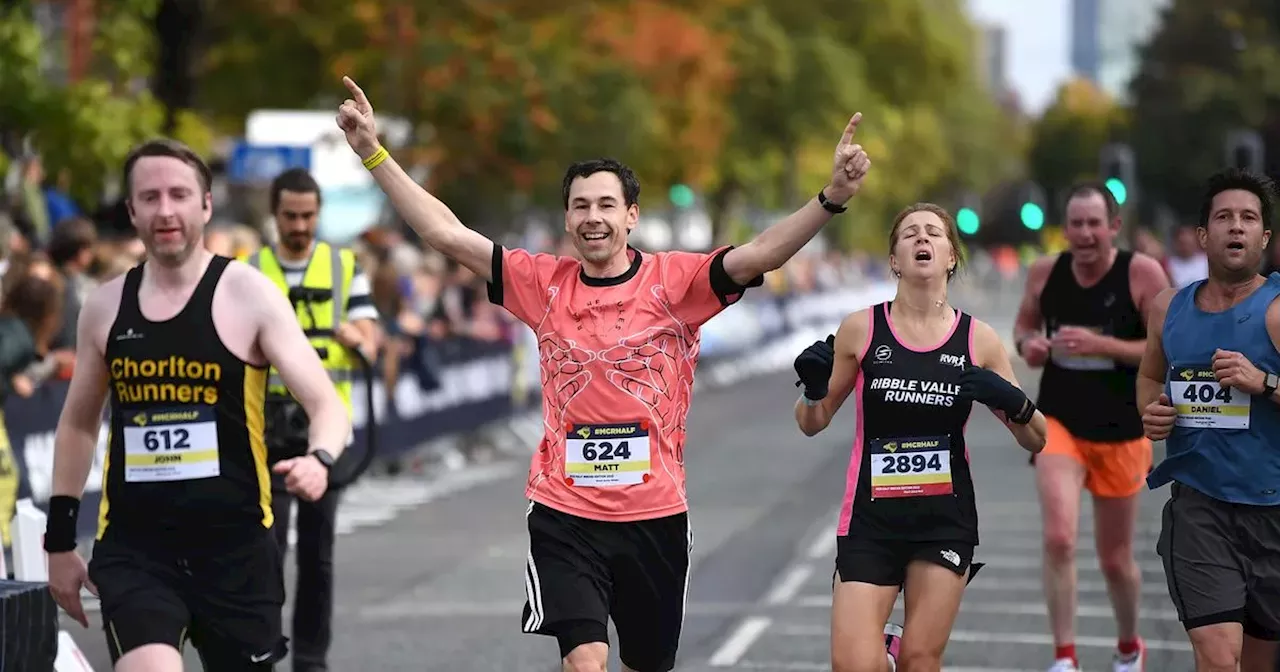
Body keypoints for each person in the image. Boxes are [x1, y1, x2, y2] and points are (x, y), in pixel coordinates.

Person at [335, 74, 869, 672]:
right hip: (565, 512)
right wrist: (373, 154)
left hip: (654, 518)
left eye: (607, 205)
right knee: (584, 661)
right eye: (581, 206)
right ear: (567, 219)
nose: (594, 217)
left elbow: (763, 252)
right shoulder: (540, 284)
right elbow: (443, 232)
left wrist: (831, 197)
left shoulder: (677, 283)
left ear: (631, 216)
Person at [42, 138, 351, 672]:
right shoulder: (104, 307)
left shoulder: (250, 295)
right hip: (137, 551)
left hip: (236, 552)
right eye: (150, 197)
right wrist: (59, 541)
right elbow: (77, 424)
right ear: (133, 210)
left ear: (205, 205)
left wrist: (319, 460)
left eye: (179, 194)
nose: (166, 210)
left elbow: (327, 403)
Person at [793, 202, 1047, 672]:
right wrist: (812, 390)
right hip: (871, 522)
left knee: (920, 659)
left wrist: (1014, 402)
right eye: (909, 234)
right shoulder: (862, 329)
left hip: (942, 522)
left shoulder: (979, 340)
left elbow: (1035, 438)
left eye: (933, 233)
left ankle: (900, 653)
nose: (922, 239)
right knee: (852, 665)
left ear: (951, 255)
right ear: (894, 260)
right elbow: (814, 420)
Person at [1011, 181, 1170, 672]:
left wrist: (1106, 347)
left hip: (1122, 429)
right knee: (1059, 538)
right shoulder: (1044, 273)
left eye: (1093, 224)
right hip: (1057, 421)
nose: (1083, 234)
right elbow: (1023, 329)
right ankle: (1065, 657)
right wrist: (1028, 346)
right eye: (1075, 223)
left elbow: (1170, 347)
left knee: (1114, 558)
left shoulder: (1142, 275)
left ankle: (1128, 646)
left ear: (1113, 228)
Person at [1138, 167, 1280, 672]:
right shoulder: (1166, 308)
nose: (1235, 227)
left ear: (1264, 237)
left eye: (1248, 218)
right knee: (1220, 657)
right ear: (1203, 236)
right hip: (1200, 508)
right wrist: (1151, 413)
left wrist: (1262, 382)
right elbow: (1151, 377)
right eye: (1224, 217)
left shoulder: (1277, 310)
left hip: (1272, 509)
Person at [243, 167, 380, 672]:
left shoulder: (345, 267)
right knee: (266, 549)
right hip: (265, 429)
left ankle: (310, 659)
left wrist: (357, 337)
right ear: (274, 216)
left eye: (307, 216)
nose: (299, 225)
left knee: (317, 556)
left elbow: (370, 335)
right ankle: (262, 649)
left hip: (325, 432)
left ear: (319, 215)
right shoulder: (249, 268)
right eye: (290, 216)